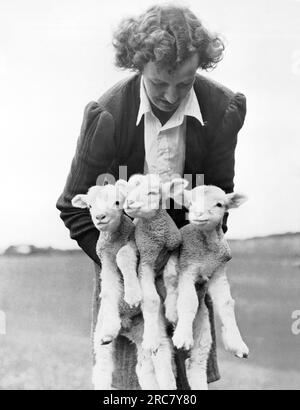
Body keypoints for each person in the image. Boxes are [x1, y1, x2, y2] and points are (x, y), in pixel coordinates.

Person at [56, 3, 246, 390]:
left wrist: (193, 256)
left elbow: (219, 195)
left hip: (186, 260)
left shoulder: (223, 110)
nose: (172, 95)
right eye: (159, 83)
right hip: (127, 268)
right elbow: (72, 206)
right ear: (137, 65)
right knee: (130, 386)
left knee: (187, 382)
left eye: (185, 82)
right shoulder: (106, 114)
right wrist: (126, 266)